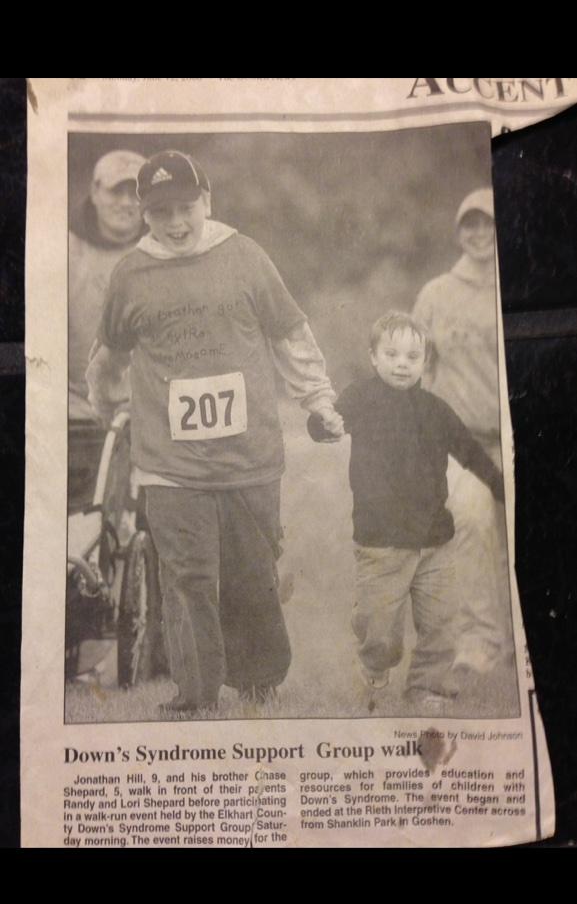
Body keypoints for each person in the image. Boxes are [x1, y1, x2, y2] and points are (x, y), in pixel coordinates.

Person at [86, 149, 343, 715]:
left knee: (252, 574)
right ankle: (195, 693)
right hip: (168, 463)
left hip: (249, 457)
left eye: (186, 208)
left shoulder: (245, 256)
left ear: (208, 201)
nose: (176, 224)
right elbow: (108, 358)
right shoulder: (131, 273)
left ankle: (258, 682)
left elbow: (291, 335)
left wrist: (319, 399)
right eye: (161, 213)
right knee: (189, 576)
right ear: (143, 213)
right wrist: (110, 407)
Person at [309, 310, 504, 714]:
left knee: (440, 626)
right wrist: (321, 424)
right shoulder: (360, 398)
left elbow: (468, 449)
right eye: (392, 354)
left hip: (435, 539)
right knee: (380, 630)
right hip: (380, 543)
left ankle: (425, 688)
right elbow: (328, 424)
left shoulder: (435, 409)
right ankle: (375, 665)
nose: (402, 363)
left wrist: (500, 485)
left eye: (412, 356)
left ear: (424, 362)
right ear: (374, 357)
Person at [413, 188, 511, 677]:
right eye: (469, 224)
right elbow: (418, 370)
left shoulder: (524, 280)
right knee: (471, 522)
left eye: (488, 224)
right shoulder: (436, 293)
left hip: (514, 438)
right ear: (458, 232)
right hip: (463, 442)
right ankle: (479, 643)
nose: (479, 234)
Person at [68, 149, 146, 513]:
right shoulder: (65, 249)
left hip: (144, 411)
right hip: (75, 411)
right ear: (95, 191)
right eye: (117, 191)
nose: (127, 202)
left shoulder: (160, 249)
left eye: (137, 193)